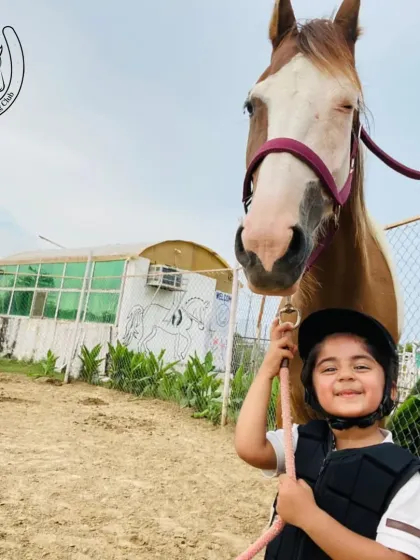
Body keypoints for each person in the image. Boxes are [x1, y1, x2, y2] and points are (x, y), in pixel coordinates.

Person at [235, 308, 420, 560]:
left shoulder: (407, 478)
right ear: (312, 390)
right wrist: (267, 371)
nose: (345, 375)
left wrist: (308, 517)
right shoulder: (301, 440)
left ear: (392, 390)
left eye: (361, 366)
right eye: (329, 369)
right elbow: (249, 448)